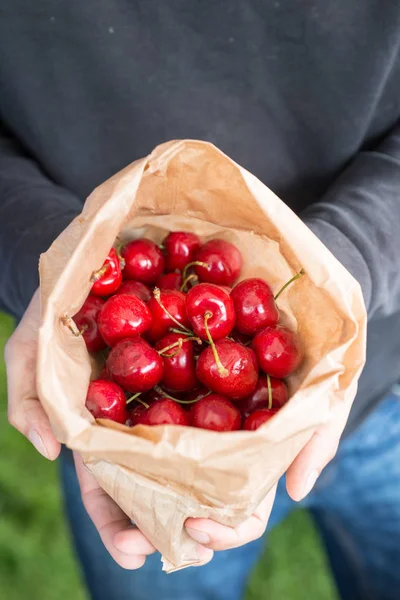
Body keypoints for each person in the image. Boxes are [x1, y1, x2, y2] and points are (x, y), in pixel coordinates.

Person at [2, 2, 400, 599]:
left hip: (377, 384)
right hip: (143, 465)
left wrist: (353, 253)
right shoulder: (161, 348)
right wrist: (47, 258)